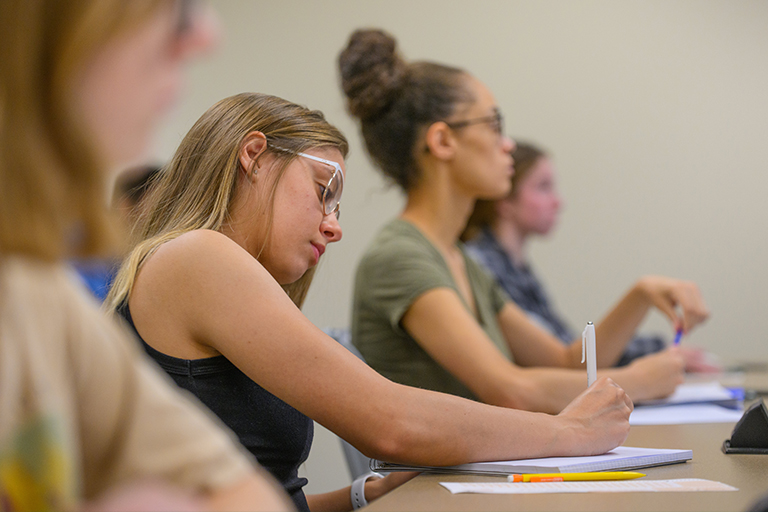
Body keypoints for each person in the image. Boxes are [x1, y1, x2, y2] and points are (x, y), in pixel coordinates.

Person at [105, 91, 634, 511]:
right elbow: (391, 421)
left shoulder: (191, 267)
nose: (333, 227)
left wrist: (355, 497)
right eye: (322, 190)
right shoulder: (195, 256)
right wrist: (570, 431)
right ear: (254, 156)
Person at [0, 0, 292, 510]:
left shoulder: (32, 289)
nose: (206, 35)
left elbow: (250, 495)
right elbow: (391, 424)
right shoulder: (196, 255)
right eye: (173, 8)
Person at [341, 28, 710, 415]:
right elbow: (511, 390)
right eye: (493, 123)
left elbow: (568, 364)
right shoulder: (399, 257)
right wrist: (641, 381)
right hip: (437, 478)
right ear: (443, 142)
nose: (509, 144)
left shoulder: (456, 259)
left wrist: (641, 293)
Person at [462, 142, 719, 371]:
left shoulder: (514, 266)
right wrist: (654, 344)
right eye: (543, 187)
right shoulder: (481, 265)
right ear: (504, 200)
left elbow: (568, 344)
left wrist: (659, 351)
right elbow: (572, 359)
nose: (558, 202)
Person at [74, 164, 162, 301]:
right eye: (158, 206)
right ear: (125, 206)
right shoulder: (88, 263)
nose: (167, 215)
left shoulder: (144, 263)